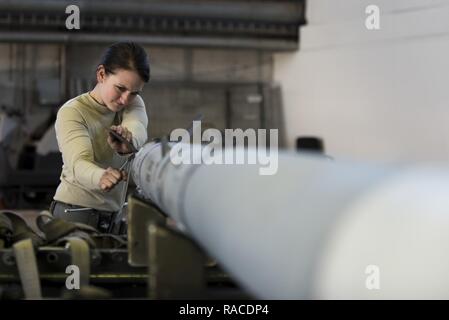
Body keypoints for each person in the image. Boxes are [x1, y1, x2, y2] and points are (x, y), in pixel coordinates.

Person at [50, 42, 150, 233]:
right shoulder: (73, 112)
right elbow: (78, 163)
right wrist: (100, 176)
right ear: (101, 74)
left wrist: (129, 141)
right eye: (120, 88)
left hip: (113, 217)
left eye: (134, 92)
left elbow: (137, 126)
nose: (125, 100)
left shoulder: (133, 102)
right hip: (75, 214)